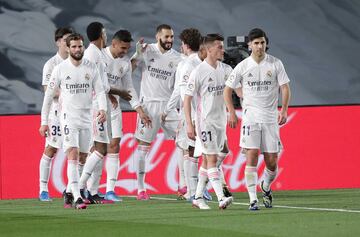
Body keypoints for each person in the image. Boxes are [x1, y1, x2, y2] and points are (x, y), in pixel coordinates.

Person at [224, 28, 291, 210]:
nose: (259, 46)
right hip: (250, 118)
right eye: (256, 43)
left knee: (272, 162)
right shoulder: (243, 66)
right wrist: (231, 111)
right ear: (250, 45)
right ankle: (253, 199)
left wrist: (284, 110)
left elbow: (285, 88)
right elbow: (227, 90)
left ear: (265, 43)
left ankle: (266, 187)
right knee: (251, 156)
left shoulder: (276, 64)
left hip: (270, 119)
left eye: (262, 42)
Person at [39, 33, 108, 209]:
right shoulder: (60, 69)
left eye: (80, 46)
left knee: (84, 157)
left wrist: (102, 109)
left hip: (87, 117)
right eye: (74, 47)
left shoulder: (91, 67)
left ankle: (69, 192)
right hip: (68, 118)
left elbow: (100, 91)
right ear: (68, 48)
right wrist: (43, 121)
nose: (78, 49)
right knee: (73, 154)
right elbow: (48, 96)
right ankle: (77, 197)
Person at [78, 22, 131, 204]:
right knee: (99, 149)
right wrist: (118, 93)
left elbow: (103, 85)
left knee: (101, 149)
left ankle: (91, 191)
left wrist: (110, 94)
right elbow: (99, 85)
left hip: (100, 105)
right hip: (95, 107)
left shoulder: (96, 53)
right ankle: (78, 187)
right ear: (102, 34)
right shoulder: (93, 54)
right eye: (105, 32)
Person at [131, 24, 182, 200]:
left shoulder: (178, 58)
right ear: (158, 36)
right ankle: (140, 188)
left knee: (184, 142)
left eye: (172, 37)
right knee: (143, 147)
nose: (170, 40)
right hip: (149, 106)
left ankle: (183, 185)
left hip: (169, 107)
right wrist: (137, 55)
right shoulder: (147, 50)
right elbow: (129, 70)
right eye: (166, 37)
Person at [184, 33, 233, 210]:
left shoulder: (226, 69)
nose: (223, 49)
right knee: (211, 158)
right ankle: (221, 197)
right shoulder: (198, 71)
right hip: (205, 122)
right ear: (209, 49)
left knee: (214, 157)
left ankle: (197, 197)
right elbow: (187, 99)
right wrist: (190, 124)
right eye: (220, 47)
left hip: (221, 121)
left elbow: (239, 90)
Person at [101, 29, 151, 201]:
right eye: (122, 48)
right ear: (113, 43)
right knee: (96, 148)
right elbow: (94, 82)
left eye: (127, 49)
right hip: (96, 107)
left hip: (114, 108)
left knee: (114, 145)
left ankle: (109, 190)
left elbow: (129, 89)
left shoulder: (124, 63)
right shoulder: (100, 56)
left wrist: (140, 111)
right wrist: (109, 95)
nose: (124, 52)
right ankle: (84, 188)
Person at [161, 28, 210, 201]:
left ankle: (192, 191)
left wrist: (167, 110)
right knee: (205, 152)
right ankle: (201, 188)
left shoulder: (185, 65)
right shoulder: (205, 62)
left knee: (188, 151)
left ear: (186, 45)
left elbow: (180, 92)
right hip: (207, 113)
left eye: (181, 43)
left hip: (190, 114)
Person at [38, 26, 74, 201]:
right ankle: (43, 189)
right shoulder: (51, 64)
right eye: (65, 39)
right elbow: (48, 90)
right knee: (51, 149)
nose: (68, 43)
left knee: (75, 151)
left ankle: (71, 189)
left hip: (74, 114)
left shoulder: (76, 62)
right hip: (56, 114)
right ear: (58, 42)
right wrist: (71, 92)